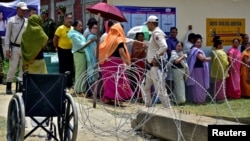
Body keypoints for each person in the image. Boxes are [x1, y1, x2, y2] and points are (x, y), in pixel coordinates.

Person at [141, 15, 171, 108]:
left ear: (151, 23)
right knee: (144, 86)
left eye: (148, 24)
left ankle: (168, 109)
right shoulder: (153, 33)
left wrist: (155, 57)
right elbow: (155, 47)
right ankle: (148, 105)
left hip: (155, 65)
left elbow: (164, 46)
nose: (147, 26)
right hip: (150, 66)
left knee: (160, 89)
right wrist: (147, 45)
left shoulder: (157, 33)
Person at [98, 23, 133, 105]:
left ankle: (108, 99)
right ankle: (118, 98)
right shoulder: (119, 39)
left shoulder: (108, 38)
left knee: (109, 82)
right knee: (119, 82)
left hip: (106, 63)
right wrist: (128, 62)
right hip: (116, 63)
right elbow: (121, 53)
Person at [4, 2, 28, 94]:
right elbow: (7, 36)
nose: (24, 12)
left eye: (25, 10)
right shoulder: (11, 20)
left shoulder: (27, 21)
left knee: (23, 69)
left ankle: (20, 87)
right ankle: (9, 86)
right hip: (14, 48)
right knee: (12, 68)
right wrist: (7, 49)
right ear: (17, 9)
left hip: (24, 48)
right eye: (22, 10)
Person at [67, 20, 96, 95]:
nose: (81, 27)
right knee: (80, 72)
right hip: (79, 54)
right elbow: (82, 45)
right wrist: (90, 41)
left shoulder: (78, 33)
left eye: (82, 26)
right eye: (80, 26)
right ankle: (78, 90)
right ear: (75, 26)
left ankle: (81, 89)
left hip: (82, 54)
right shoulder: (74, 35)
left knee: (83, 72)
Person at [187, 35, 211, 104]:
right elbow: (202, 58)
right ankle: (199, 100)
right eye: (198, 42)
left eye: (200, 42)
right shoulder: (196, 51)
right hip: (198, 70)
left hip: (197, 70)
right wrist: (209, 58)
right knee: (199, 86)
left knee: (198, 85)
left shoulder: (194, 50)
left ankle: (197, 99)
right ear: (194, 43)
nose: (199, 44)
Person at [53, 13, 74, 89]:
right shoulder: (60, 28)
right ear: (64, 19)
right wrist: (56, 47)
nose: (70, 20)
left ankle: (69, 84)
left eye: (71, 18)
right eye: (68, 18)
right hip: (62, 50)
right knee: (63, 68)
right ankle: (62, 83)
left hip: (71, 50)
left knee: (70, 67)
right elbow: (55, 39)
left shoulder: (72, 28)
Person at [210, 37, 229, 102]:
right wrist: (228, 64)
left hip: (215, 71)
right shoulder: (221, 52)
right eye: (222, 44)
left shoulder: (213, 51)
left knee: (216, 85)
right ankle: (221, 98)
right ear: (218, 45)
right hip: (222, 71)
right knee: (221, 85)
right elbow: (225, 62)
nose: (222, 46)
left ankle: (216, 97)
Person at [130, 32, 147, 100]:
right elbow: (136, 54)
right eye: (140, 36)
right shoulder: (135, 44)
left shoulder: (144, 43)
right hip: (137, 63)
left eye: (142, 36)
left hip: (143, 63)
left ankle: (144, 96)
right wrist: (143, 48)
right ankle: (139, 96)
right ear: (137, 38)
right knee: (138, 79)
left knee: (144, 79)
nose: (141, 38)